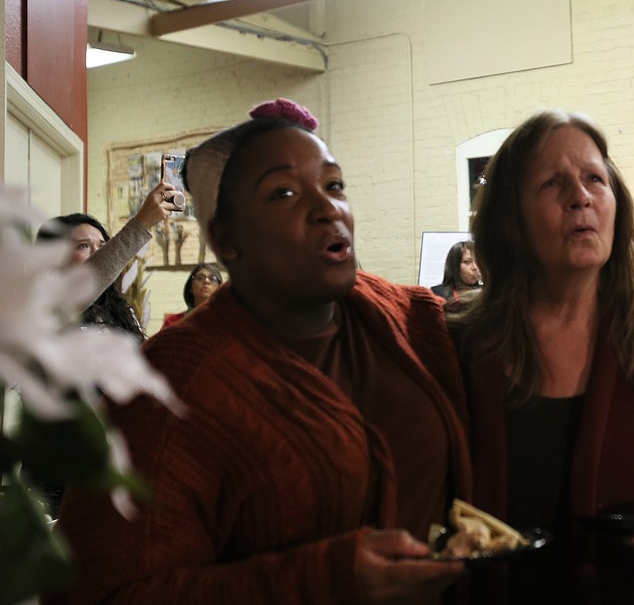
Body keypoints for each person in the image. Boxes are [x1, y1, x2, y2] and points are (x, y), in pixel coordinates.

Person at [49, 99, 471, 604]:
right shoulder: (168, 391)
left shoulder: (407, 321)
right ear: (225, 238)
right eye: (284, 192)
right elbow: (97, 592)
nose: (327, 208)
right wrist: (321, 580)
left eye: (334, 185)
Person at [448, 109, 634, 604]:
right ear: (509, 216)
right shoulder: (458, 344)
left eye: (595, 178)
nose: (582, 196)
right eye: (552, 183)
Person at [36, 183, 179, 339]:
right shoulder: (46, 304)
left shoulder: (120, 310)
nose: (98, 253)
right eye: (83, 246)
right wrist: (142, 223)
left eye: (103, 246)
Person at [160, 262, 223, 329]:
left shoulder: (228, 321)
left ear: (220, 288)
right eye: (200, 278)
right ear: (190, 287)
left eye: (213, 279)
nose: (206, 281)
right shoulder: (173, 321)